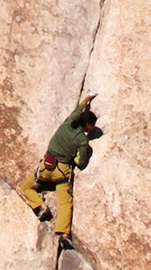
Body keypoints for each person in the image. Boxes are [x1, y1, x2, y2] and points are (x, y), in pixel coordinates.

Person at [20, 93, 102, 246]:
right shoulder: (82, 140)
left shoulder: (69, 122)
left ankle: (40, 206)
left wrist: (87, 99)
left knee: (27, 187)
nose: (93, 128)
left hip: (47, 166)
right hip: (61, 172)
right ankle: (63, 234)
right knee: (65, 203)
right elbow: (80, 162)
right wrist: (76, 155)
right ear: (88, 125)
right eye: (92, 125)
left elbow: (80, 108)